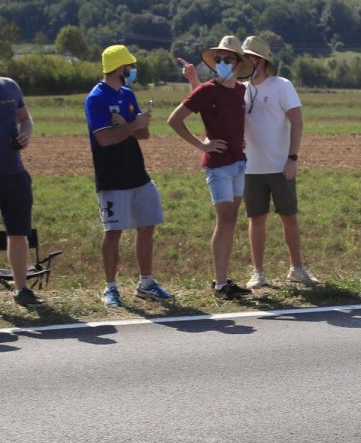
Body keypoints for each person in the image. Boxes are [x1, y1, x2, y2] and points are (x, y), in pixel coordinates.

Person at [181, 36, 318, 289]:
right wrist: (193, 81)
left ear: (262, 61)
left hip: (280, 165)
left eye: (250, 57)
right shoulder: (240, 89)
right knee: (256, 219)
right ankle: (258, 272)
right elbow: (209, 104)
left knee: (289, 217)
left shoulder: (282, 85)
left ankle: (297, 269)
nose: (245, 62)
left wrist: (292, 158)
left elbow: (297, 122)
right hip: (248, 167)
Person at [85, 45, 175, 308]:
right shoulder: (96, 98)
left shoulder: (127, 94)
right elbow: (104, 139)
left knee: (147, 225)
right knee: (113, 232)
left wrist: (131, 126)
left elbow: (143, 135)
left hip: (138, 174)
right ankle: (110, 288)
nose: (133, 70)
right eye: (130, 66)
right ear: (119, 68)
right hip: (112, 177)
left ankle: (146, 283)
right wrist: (133, 125)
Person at [167, 36, 255, 300]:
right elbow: (174, 120)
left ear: (239, 64)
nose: (222, 64)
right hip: (218, 166)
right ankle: (219, 284)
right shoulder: (207, 90)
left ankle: (223, 278)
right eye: (219, 60)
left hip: (240, 162)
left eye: (228, 60)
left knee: (231, 221)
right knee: (224, 220)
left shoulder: (241, 90)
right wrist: (201, 146)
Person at [0, 74, 44, 306]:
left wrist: (25, 134)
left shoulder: (10, 86)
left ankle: (22, 290)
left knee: (18, 233)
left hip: (14, 174)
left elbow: (25, 119)